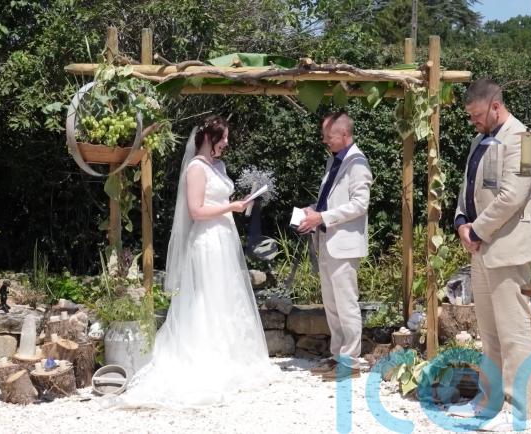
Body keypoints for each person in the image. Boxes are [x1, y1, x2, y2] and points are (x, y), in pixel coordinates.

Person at [118, 115, 279, 408]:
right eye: (224, 138)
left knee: (225, 296)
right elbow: (196, 210)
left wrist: (241, 204)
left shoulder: (218, 166)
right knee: (207, 297)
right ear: (209, 138)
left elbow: (218, 202)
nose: (228, 143)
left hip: (224, 236)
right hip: (206, 241)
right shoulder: (195, 169)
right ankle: (207, 356)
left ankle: (232, 356)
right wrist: (230, 206)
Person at [449, 79, 531, 431]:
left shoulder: (527, 141)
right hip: (481, 248)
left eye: (476, 115)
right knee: (488, 331)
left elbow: (512, 196)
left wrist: (476, 230)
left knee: (514, 330)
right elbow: (468, 187)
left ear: (495, 107)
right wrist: (461, 221)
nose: (472, 121)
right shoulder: (479, 140)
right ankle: (488, 401)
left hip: (509, 248)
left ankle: (519, 407)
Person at [298, 112, 372, 381]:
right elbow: (332, 200)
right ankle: (337, 354)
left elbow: (360, 204)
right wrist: (314, 211)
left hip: (344, 245)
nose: (324, 141)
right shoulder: (335, 160)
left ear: (343, 135)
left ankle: (350, 361)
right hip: (328, 242)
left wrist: (324, 217)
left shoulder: (357, 163)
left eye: (328, 137)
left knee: (346, 303)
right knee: (331, 304)